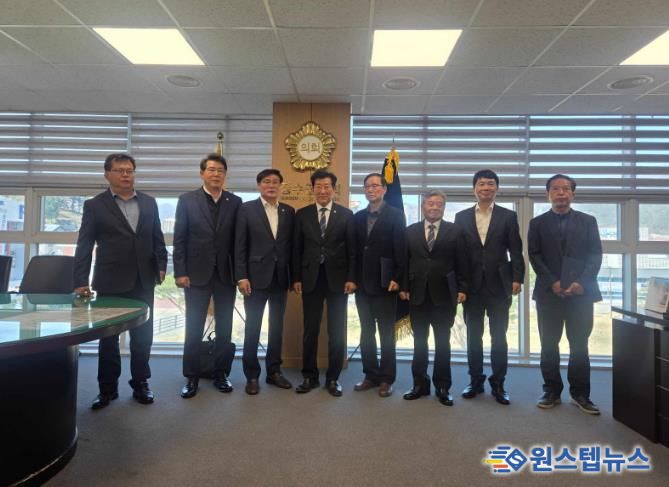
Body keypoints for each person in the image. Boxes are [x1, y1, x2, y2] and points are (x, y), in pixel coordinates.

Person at [74, 153, 167, 410]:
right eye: (120, 170)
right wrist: (80, 280)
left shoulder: (149, 202)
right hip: (110, 281)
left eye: (129, 170)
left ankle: (141, 384)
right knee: (108, 339)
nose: (126, 175)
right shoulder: (95, 205)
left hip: (143, 279)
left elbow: (157, 238)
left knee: (143, 337)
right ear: (107, 174)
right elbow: (84, 245)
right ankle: (107, 389)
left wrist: (161, 266)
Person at [528, 174, 602, 415]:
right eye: (556, 189)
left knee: (579, 345)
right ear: (548, 194)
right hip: (549, 294)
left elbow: (595, 254)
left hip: (581, 295)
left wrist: (582, 282)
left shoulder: (588, 221)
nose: (561, 193)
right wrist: (553, 282)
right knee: (549, 344)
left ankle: (580, 394)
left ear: (572, 193)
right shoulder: (537, 223)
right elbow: (534, 255)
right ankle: (551, 390)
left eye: (566, 189)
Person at [174, 154, 241, 398]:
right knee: (193, 326)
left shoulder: (235, 201)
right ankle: (191, 376)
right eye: (211, 169)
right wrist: (180, 271)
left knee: (225, 327)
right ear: (202, 173)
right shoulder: (187, 200)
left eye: (220, 170)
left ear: (225, 174)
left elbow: (238, 242)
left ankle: (221, 373)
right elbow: (179, 238)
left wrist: (240, 274)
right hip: (195, 274)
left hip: (226, 274)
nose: (216, 174)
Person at [454, 169, 524, 405]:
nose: (486, 188)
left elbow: (516, 250)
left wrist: (517, 278)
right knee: (474, 337)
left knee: (499, 337)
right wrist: (460, 285)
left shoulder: (508, 216)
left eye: (490, 184)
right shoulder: (462, 217)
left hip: (499, 285)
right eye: (482, 184)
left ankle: (499, 383)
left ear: (497, 188)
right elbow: (459, 255)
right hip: (471, 286)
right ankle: (475, 380)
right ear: (474, 189)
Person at [292, 169, 356, 397]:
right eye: (318, 186)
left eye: (327, 186)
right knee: (310, 329)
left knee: (336, 331)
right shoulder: (302, 214)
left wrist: (351, 278)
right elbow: (296, 249)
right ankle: (309, 376)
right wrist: (296, 277)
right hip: (310, 279)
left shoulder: (346, 215)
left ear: (334, 189)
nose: (322, 190)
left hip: (338, 280)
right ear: (312, 189)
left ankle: (333, 378)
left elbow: (353, 250)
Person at [400, 191, 468, 406]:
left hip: (445, 295)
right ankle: (419, 384)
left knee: (442, 343)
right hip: (417, 294)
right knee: (419, 342)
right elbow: (404, 261)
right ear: (423, 206)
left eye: (439, 204)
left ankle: (443, 387)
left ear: (444, 208)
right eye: (431, 203)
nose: (435, 207)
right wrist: (404, 286)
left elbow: (463, 262)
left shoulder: (455, 231)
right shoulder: (410, 231)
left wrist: (463, 288)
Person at [235, 169, 294, 395]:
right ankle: (252, 375)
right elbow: (239, 245)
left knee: (276, 327)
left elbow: (290, 247)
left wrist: (293, 276)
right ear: (259, 185)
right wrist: (242, 276)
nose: (271, 185)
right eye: (267, 182)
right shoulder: (246, 209)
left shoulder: (288, 211)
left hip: (280, 278)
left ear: (280, 186)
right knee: (252, 327)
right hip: (254, 278)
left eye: (275, 182)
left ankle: (274, 371)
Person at [352, 173, 406, 398]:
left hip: (386, 283)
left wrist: (397, 277)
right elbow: (354, 251)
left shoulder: (396, 214)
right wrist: (351, 279)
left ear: (384, 189)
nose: (371, 189)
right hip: (362, 284)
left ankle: (386, 378)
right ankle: (370, 375)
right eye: (367, 186)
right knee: (366, 332)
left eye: (375, 185)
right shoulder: (357, 217)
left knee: (386, 334)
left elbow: (401, 249)